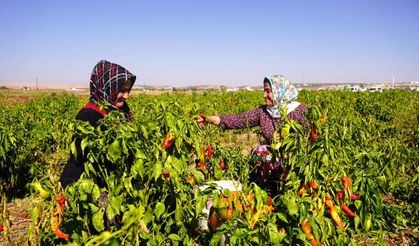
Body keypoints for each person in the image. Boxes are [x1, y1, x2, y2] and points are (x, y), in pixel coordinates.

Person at [195, 75, 307, 196]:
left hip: (297, 160)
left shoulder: (300, 111)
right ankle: (268, 192)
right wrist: (210, 119)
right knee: (261, 152)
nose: (264, 95)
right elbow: (239, 119)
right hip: (275, 160)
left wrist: (290, 139)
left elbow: (313, 136)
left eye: (268, 91)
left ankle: (296, 190)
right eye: (264, 91)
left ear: (280, 91)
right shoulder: (263, 112)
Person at [60, 60, 136, 188]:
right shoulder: (89, 116)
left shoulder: (121, 111)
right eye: (122, 90)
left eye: (128, 90)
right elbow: (78, 161)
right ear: (106, 87)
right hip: (97, 186)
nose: (126, 96)